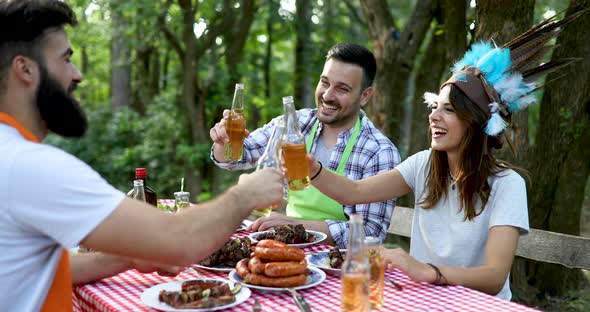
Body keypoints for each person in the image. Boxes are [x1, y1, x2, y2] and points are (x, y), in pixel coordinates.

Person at [0, 1, 283, 310]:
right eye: (66, 59)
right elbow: (178, 239)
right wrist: (245, 194)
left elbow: (36, 266)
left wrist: (128, 256)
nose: (77, 75)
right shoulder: (27, 165)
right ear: (25, 69)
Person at [304, 14, 579, 300]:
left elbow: (494, 277)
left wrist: (426, 271)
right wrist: (312, 168)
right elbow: (353, 192)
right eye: (435, 106)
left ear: (476, 121)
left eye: (448, 110)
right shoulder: (423, 164)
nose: (433, 116)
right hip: (425, 300)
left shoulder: (507, 185)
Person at [209, 43, 400, 248]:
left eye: (342, 88)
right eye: (325, 82)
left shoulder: (380, 152)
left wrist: (298, 227)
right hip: (286, 247)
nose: (327, 95)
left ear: (365, 96)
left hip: (340, 266)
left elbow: (369, 234)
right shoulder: (297, 123)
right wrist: (224, 141)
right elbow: (238, 157)